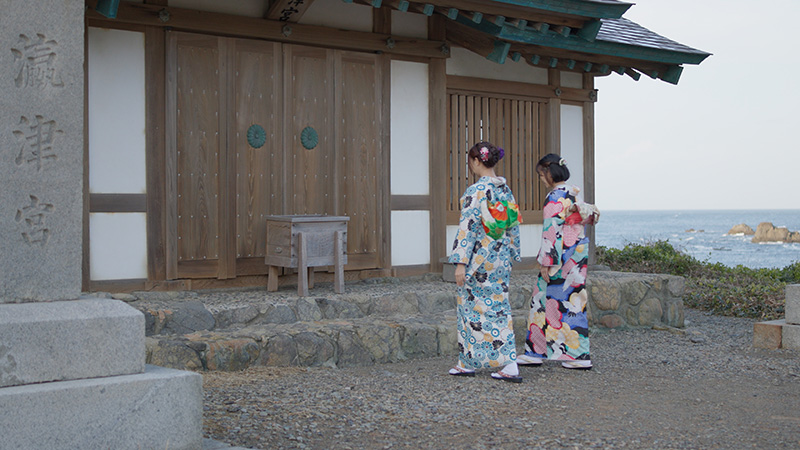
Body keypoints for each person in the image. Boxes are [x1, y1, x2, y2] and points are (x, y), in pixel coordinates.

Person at [448, 141, 523, 383]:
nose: (471, 166)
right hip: (500, 257)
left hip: (478, 260)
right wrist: (513, 252)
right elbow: (512, 224)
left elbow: (468, 228)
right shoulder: (505, 189)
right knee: (497, 306)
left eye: (471, 161)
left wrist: (460, 262)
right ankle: (468, 360)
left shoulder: (476, 191)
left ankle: (509, 363)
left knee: (473, 308)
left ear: (477, 161)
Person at [518, 153, 598, 370]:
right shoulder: (572, 194)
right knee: (550, 300)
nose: (541, 179)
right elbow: (590, 217)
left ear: (549, 172)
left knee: (562, 303)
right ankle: (536, 351)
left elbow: (551, 230)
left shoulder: (555, 197)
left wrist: (547, 261)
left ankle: (578, 355)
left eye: (541, 175)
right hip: (575, 253)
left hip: (560, 255)